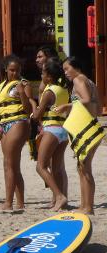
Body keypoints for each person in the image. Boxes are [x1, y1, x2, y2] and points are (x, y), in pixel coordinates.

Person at [59, 56, 103, 214]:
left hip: (85, 129)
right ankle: (84, 205)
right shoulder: (90, 81)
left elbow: (84, 99)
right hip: (92, 125)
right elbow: (98, 108)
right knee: (82, 167)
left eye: (67, 69)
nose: (65, 73)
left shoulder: (78, 80)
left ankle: (88, 207)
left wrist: (67, 105)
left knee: (85, 169)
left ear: (76, 68)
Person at [0, 55, 32, 211]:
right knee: (11, 165)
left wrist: (22, 93)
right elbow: (1, 109)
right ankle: (20, 203)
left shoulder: (24, 84)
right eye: (11, 70)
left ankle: (8, 203)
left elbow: (28, 109)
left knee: (9, 164)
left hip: (18, 123)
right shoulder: (1, 85)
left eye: (17, 70)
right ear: (5, 70)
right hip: (4, 125)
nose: (15, 73)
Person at [31, 59, 69, 210]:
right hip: (63, 131)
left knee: (40, 166)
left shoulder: (49, 91)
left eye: (43, 72)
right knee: (57, 168)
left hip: (51, 130)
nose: (41, 74)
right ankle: (56, 201)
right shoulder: (64, 89)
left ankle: (59, 196)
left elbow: (37, 116)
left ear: (49, 76)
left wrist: (33, 103)